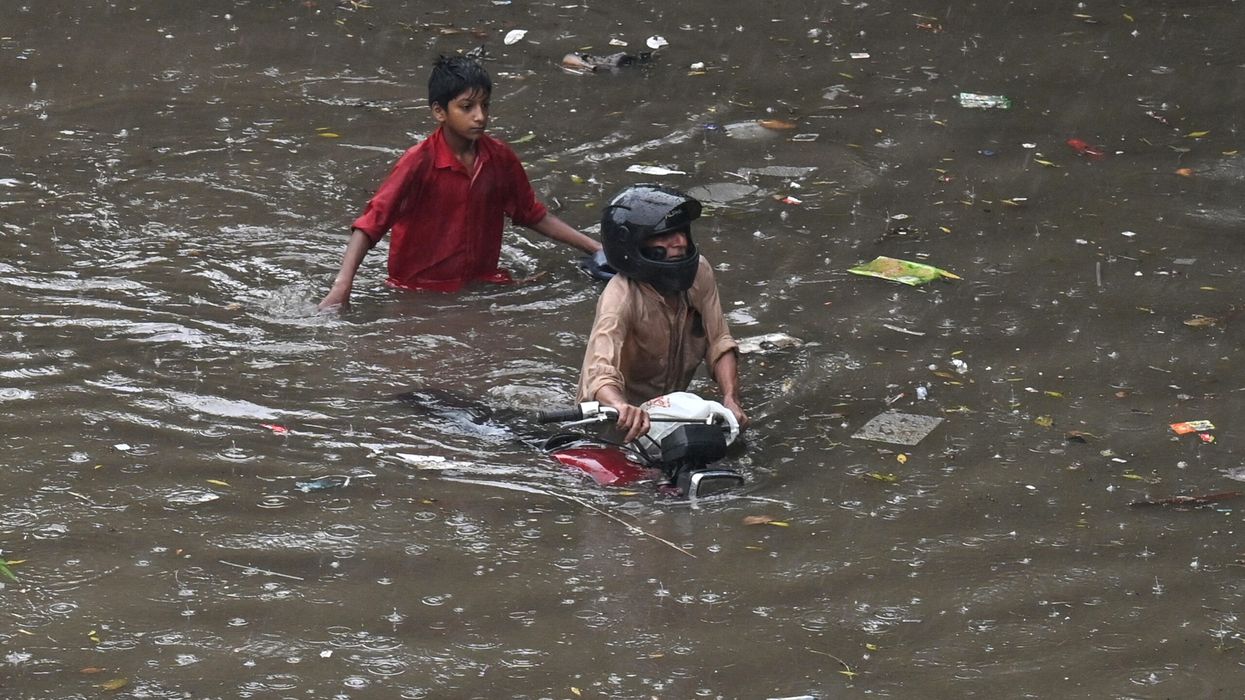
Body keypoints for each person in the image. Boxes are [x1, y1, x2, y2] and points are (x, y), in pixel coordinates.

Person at [318, 56, 602, 309]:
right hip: (417, 293)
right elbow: (370, 225)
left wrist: (597, 248)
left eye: (485, 105)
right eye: (467, 107)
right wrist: (342, 287)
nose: (480, 116)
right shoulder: (418, 162)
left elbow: (531, 213)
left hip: (480, 286)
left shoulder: (499, 158)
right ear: (439, 112)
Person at [577, 184, 748, 443]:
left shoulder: (700, 272)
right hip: (614, 421)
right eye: (665, 236)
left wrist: (731, 399)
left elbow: (720, 342)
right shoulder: (620, 296)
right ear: (632, 244)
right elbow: (600, 370)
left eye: (681, 232)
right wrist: (621, 406)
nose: (680, 242)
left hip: (668, 413)